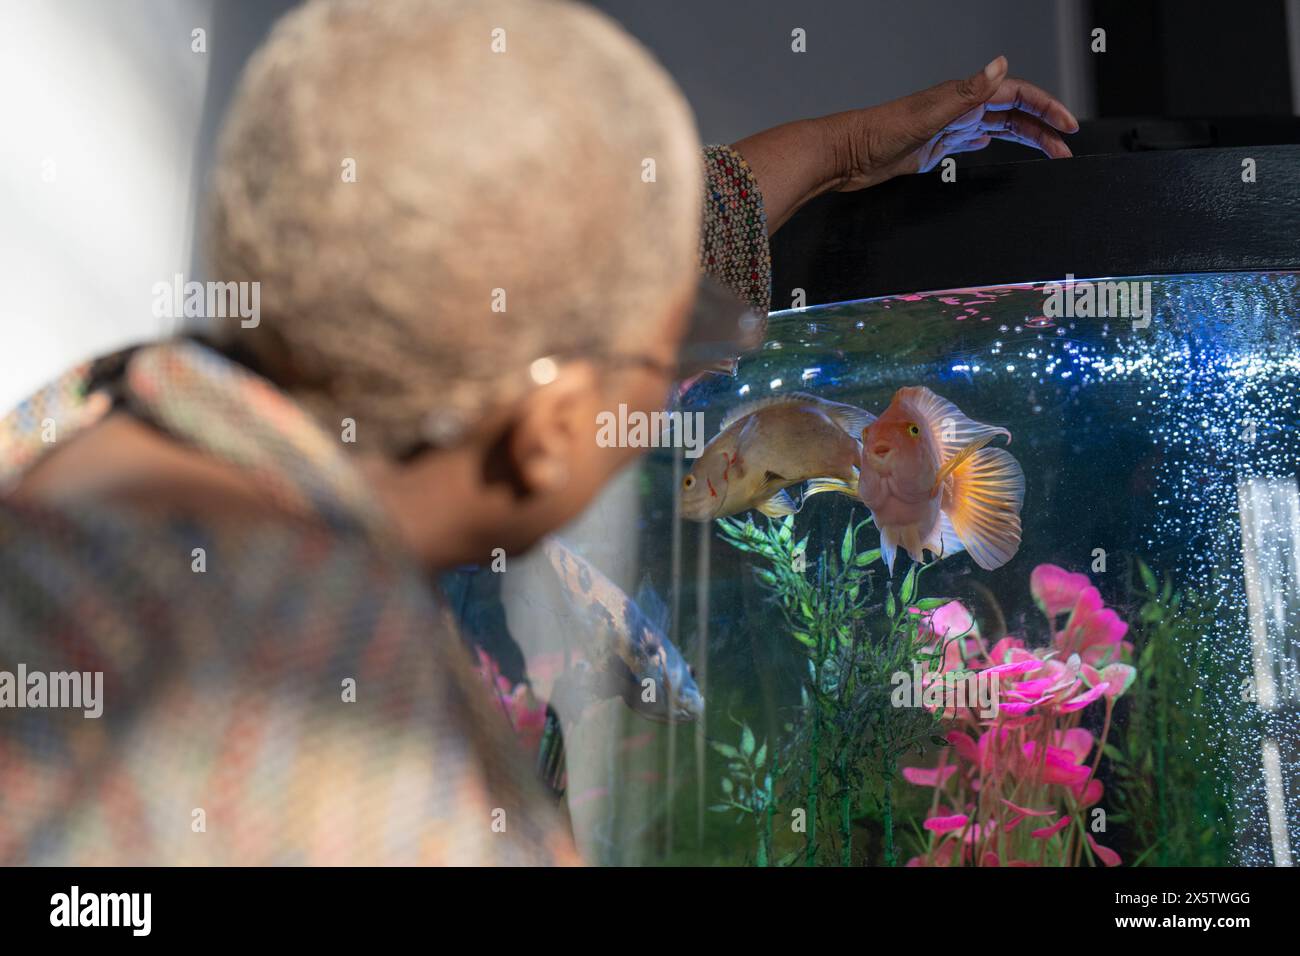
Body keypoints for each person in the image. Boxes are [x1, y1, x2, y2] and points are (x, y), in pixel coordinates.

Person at [0, 0, 1075, 864]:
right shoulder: (382, 785)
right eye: (677, 350)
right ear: (557, 431)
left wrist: (843, 151)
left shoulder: (70, 430)